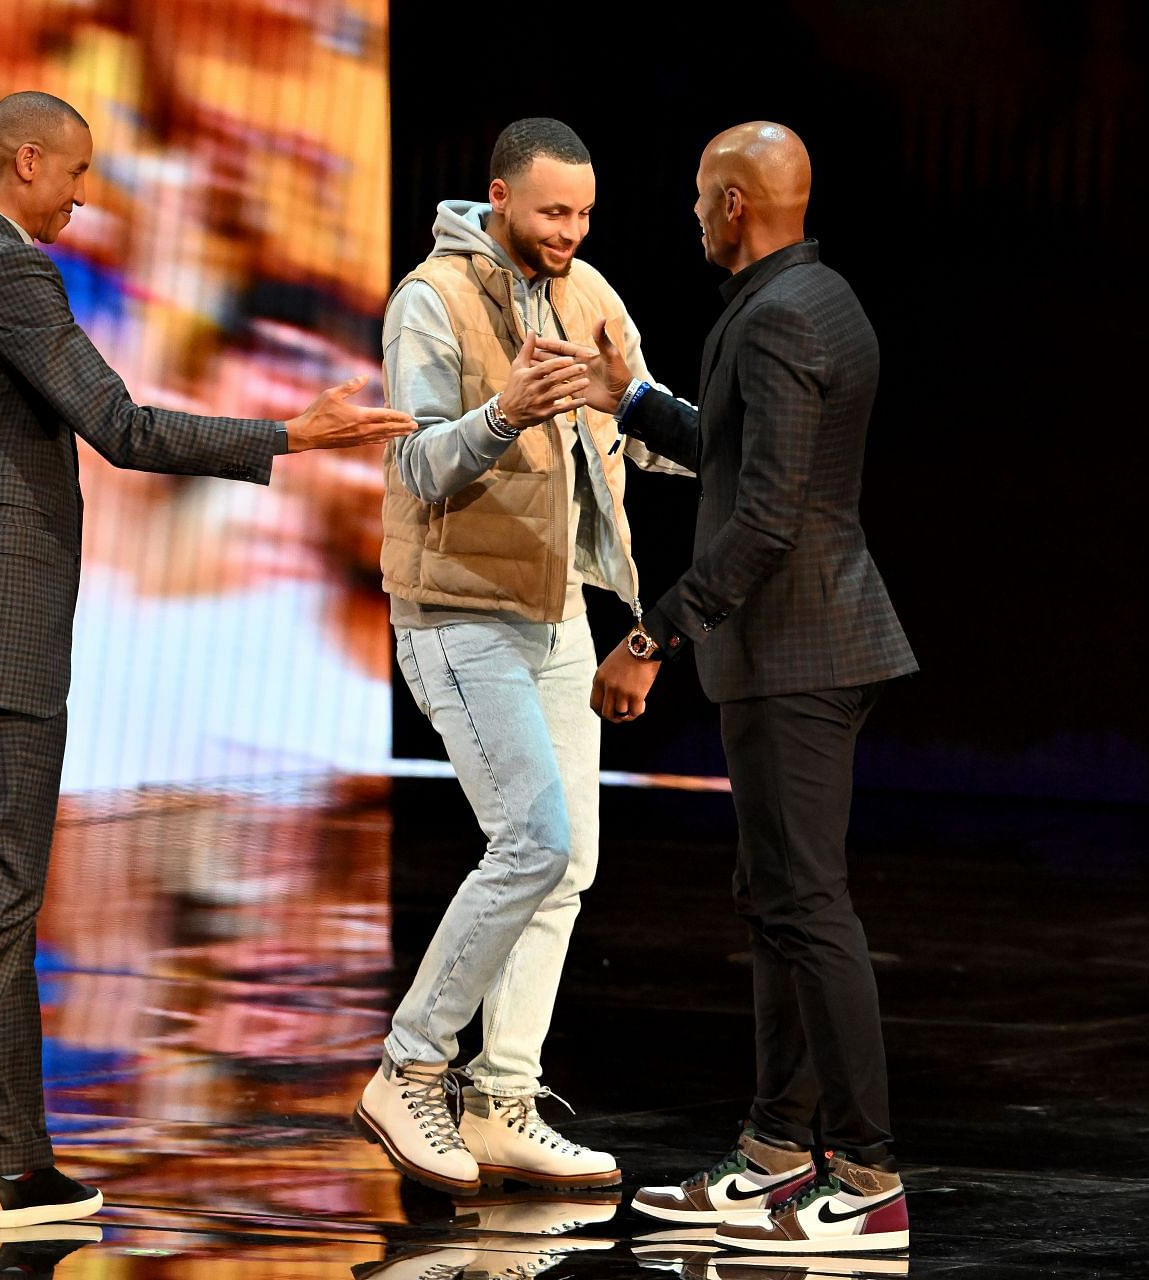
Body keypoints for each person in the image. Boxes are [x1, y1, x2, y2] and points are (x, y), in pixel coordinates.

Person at [0, 90, 413, 1239]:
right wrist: (292, 433)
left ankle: (18, 1163)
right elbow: (121, 426)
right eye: (76, 172)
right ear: (26, 160)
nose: (85, 196)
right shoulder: (13, 274)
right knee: (0, 889)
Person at [586, 122, 917, 1254]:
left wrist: (653, 634)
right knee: (779, 906)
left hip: (797, 653)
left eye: (697, 197)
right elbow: (737, 456)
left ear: (733, 204)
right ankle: (778, 1151)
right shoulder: (819, 297)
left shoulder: (777, 317)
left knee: (809, 910)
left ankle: (867, 1175)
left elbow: (767, 517)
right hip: (811, 644)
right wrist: (629, 397)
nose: (690, 215)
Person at [353, 118, 683, 1194]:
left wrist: (666, 417)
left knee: (568, 861)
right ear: (498, 197)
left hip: (558, 615)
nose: (570, 232)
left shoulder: (590, 296)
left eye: (583, 213)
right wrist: (502, 414)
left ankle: (501, 1096)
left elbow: (637, 433)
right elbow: (414, 462)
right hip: (458, 614)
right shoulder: (430, 302)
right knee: (530, 838)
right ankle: (408, 1070)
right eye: (552, 213)